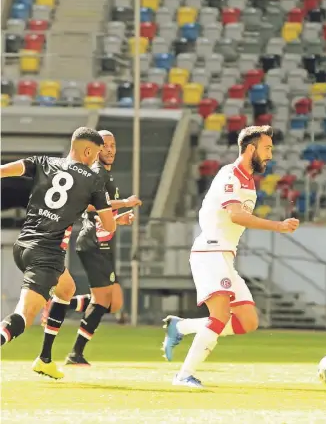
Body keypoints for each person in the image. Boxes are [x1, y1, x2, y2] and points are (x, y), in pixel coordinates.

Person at [162, 125, 300, 388]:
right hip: (210, 251)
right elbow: (236, 215)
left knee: (248, 320)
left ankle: (180, 327)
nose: (270, 154)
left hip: (224, 255)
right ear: (251, 149)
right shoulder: (230, 174)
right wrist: (278, 226)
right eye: (267, 148)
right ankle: (183, 375)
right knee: (220, 314)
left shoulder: (248, 181)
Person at [0, 127, 115, 380]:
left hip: (22, 247)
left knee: (66, 289)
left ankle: (45, 359)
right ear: (88, 151)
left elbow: (3, 171)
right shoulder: (93, 179)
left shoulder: (43, 162)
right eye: (96, 153)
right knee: (24, 316)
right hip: (47, 255)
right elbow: (109, 225)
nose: (96, 158)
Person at [44, 130, 142, 366]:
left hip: (102, 240)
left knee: (113, 302)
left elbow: (101, 212)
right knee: (104, 300)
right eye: (105, 145)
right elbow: (88, 205)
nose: (109, 149)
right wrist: (125, 203)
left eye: (113, 145)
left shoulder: (106, 175)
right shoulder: (96, 173)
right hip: (93, 241)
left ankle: (63, 304)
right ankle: (75, 351)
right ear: (96, 149)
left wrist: (119, 219)